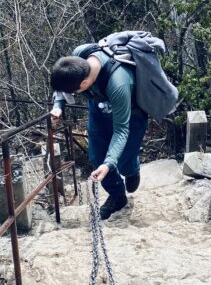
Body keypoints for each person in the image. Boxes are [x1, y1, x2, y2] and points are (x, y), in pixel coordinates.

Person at [50, 43, 147, 219]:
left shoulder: (119, 83)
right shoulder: (79, 57)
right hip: (98, 108)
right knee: (97, 157)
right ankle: (117, 197)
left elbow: (121, 130)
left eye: (74, 93)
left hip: (131, 116)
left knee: (123, 159)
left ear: (85, 83)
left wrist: (109, 164)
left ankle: (131, 168)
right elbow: (61, 84)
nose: (72, 95)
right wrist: (58, 105)